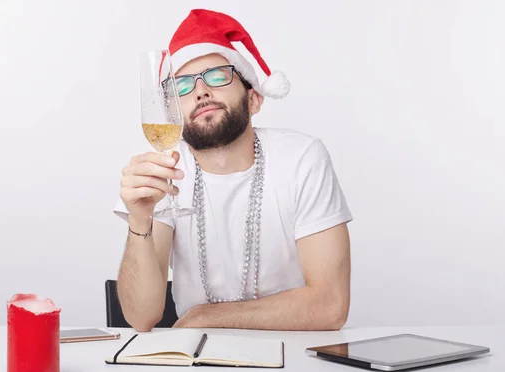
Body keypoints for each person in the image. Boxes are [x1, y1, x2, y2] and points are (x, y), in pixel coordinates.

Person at [113, 9, 353, 332]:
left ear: (254, 98)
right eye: (182, 85)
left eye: (216, 76)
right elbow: (142, 318)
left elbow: (331, 305)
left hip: (292, 365)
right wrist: (140, 221)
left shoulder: (302, 159)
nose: (200, 91)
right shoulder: (163, 172)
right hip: (194, 367)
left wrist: (207, 317)